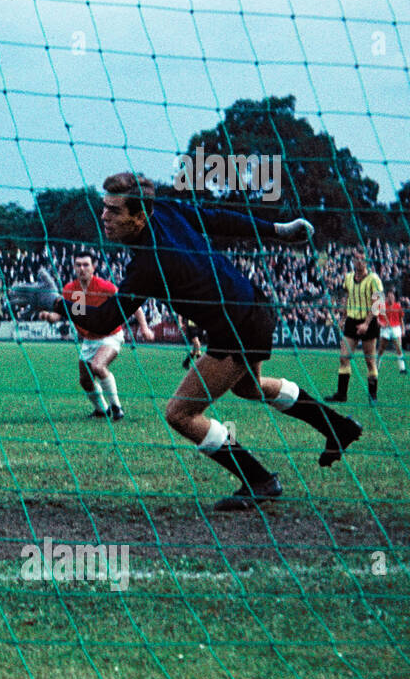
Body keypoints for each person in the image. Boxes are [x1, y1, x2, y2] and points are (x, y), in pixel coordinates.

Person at [70, 172, 361, 512]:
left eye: (114, 210)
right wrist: (276, 230)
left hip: (236, 326)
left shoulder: (150, 261)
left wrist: (55, 303)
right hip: (255, 306)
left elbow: (104, 320)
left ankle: (259, 479)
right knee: (249, 388)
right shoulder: (163, 209)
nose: (104, 216)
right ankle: (337, 427)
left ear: (140, 215)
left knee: (180, 414)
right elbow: (216, 218)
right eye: (104, 207)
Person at [38, 251, 153, 419]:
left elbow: (131, 304)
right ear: (74, 267)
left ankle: (117, 408)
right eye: (78, 265)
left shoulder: (105, 287)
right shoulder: (70, 290)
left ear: (94, 267)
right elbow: (67, 314)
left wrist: (144, 327)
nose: (82, 268)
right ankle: (101, 410)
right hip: (88, 340)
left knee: (98, 366)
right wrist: (48, 316)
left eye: (86, 265)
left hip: (110, 336)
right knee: (85, 380)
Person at [324, 249, 383, 403]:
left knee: (369, 361)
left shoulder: (374, 279)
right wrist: (343, 318)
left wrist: (366, 323)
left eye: (362, 258)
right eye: (356, 258)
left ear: (367, 261)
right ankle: (341, 395)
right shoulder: (348, 278)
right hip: (351, 320)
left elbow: (378, 304)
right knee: (344, 357)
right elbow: (347, 298)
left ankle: (373, 396)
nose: (359, 261)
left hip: (368, 322)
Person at [376, 289, 408, 376]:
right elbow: (377, 318)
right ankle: (376, 366)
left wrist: (403, 329)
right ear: (386, 297)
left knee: (399, 348)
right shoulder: (382, 306)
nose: (390, 298)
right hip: (385, 329)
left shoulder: (398, 306)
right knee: (381, 349)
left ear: (394, 297)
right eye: (389, 296)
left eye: (392, 296)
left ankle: (402, 368)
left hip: (396, 328)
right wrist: (381, 324)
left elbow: (401, 319)